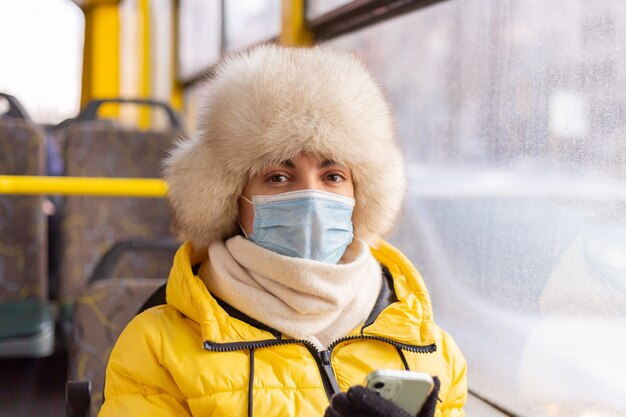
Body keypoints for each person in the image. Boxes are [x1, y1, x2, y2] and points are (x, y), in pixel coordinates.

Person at [99, 44, 467, 417]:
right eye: (278, 176)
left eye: (333, 176)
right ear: (232, 199)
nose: (310, 196)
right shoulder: (156, 347)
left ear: (360, 193)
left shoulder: (428, 347)